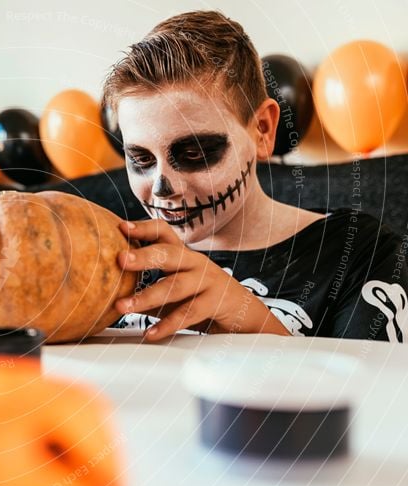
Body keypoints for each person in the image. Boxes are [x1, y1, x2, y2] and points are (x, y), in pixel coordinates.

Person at [102, 10, 408, 343]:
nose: (163, 188)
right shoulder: (121, 258)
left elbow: (377, 391)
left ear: (262, 129)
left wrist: (248, 319)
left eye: (195, 153)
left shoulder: (359, 251)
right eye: (141, 159)